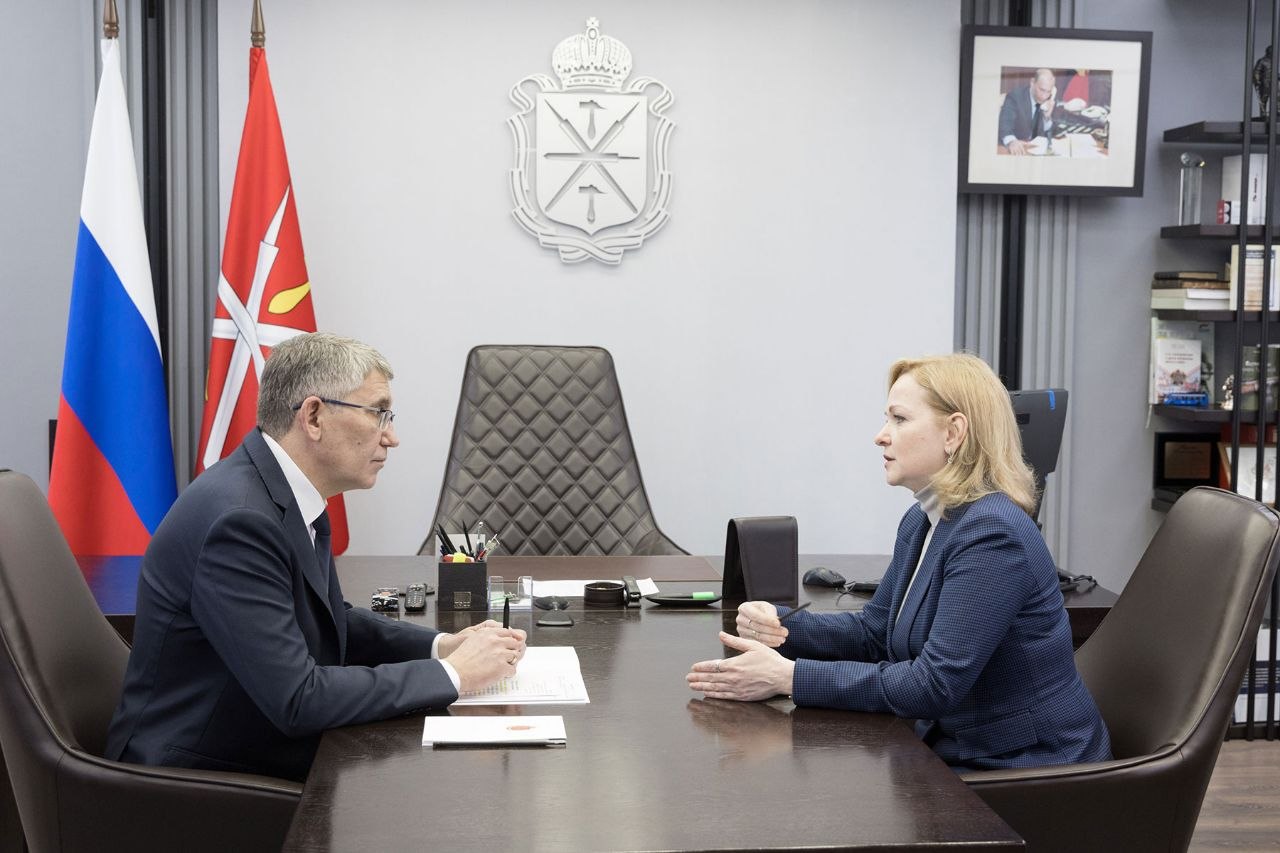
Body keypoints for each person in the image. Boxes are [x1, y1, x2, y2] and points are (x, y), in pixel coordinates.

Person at [106, 332, 526, 781]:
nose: (392, 437)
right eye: (378, 413)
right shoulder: (239, 522)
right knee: (447, 782)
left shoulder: (284, 493)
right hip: (196, 778)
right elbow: (299, 699)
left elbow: (332, 621)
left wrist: (442, 646)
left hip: (252, 741)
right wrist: (453, 674)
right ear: (313, 416)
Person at [686, 354, 1112, 771]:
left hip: (1028, 768)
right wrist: (781, 626)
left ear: (953, 433)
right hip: (956, 748)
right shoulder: (924, 519)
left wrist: (788, 677)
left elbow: (933, 685)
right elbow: (876, 633)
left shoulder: (992, 534)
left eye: (899, 419)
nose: (881, 436)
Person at [998, 68, 1057, 156]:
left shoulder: (1050, 101)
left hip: (1036, 151)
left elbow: (1053, 133)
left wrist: (1047, 118)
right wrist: (1011, 141)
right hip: (1017, 150)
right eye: (1042, 90)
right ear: (1032, 82)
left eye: (1048, 91)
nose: (1044, 96)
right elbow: (1004, 124)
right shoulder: (1015, 97)